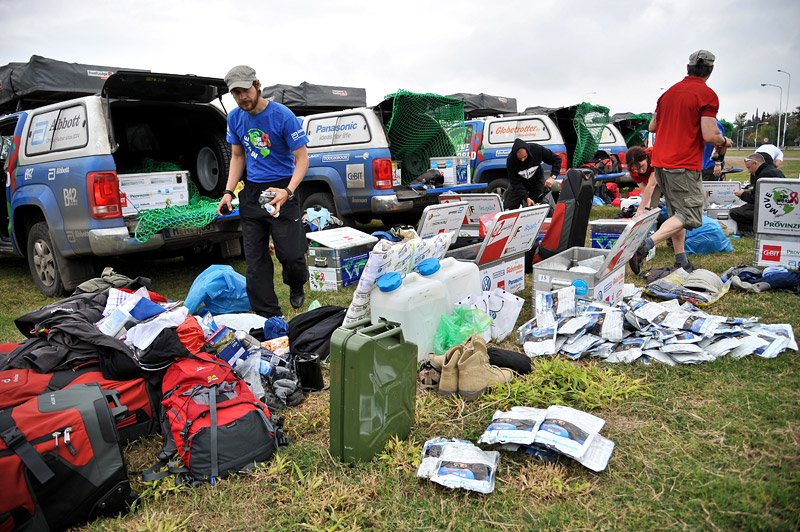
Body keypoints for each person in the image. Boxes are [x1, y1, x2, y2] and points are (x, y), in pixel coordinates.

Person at [628, 49, 733, 275]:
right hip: (683, 164)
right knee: (689, 215)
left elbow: (652, 127)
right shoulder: (707, 95)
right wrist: (724, 140)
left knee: (677, 213)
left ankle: (681, 260)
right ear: (710, 70)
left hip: (662, 163)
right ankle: (644, 247)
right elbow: (709, 134)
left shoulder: (667, 94)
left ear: (688, 68)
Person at [217, 65, 310, 317]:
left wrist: (288, 191)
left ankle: (296, 283)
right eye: (235, 93)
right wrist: (228, 191)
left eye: (245, 90)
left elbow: (302, 159)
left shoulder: (283, 116)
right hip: (252, 193)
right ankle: (268, 314)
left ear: (257, 85)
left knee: (291, 255)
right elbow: (237, 156)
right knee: (255, 262)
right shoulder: (235, 118)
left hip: (283, 186)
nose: (241, 97)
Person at [729, 152, 785, 234]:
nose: (748, 171)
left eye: (749, 167)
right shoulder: (772, 170)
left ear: (755, 163)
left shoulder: (764, 175)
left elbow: (757, 199)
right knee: (745, 207)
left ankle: (752, 230)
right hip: (777, 206)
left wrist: (742, 194)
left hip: (771, 211)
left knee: (734, 212)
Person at [504, 138, 561, 210]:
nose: (523, 160)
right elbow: (515, 182)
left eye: (524, 157)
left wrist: (552, 177)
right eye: (520, 158)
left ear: (528, 152)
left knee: (538, 204)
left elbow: (557, 160)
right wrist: (526, 197)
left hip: (537, 181)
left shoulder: (537, 150)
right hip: (520, 183)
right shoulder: (510, 160)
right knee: (509, 205)